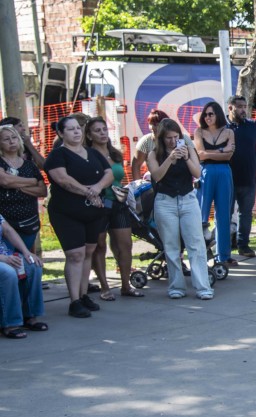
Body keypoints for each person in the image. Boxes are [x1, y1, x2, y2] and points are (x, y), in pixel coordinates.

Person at [44, 115, 113, 317]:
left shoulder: (92, 152)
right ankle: (74, 300)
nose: (76, 132)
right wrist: (89, 192)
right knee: (75, 254)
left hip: (94, 211)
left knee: (88, 252)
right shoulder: (57, 155)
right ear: (61, 133)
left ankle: (83, 295)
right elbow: (63, 180)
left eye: (78, 128)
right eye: (71, 129)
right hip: (67, 212)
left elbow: (108, 173)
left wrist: (98, 187)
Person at [147, 119, 214, 300]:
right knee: (171, 246)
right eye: (168, 138)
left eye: (176, 137)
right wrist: (170, 158)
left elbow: (197, 173)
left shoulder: (188, 148)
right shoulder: (154, 154)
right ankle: (176, 286)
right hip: (165, 201)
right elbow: (157, 176)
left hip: (187, 199)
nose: (173, 141)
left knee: (196, 244)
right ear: (161, 138)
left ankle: (203, 286)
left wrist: (185, 157)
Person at [85, 117, 143, 300]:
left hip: (118, 204)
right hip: (98, 204)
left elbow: (119, 178)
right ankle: (104, 287)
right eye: (97, 130)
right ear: (89, 135)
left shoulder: (115, 154)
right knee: (99, 246)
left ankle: (126, 285)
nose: (102, 133)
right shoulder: (87, 155)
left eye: (104, 129)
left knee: (125, 244)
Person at [194, 101, 235, 265]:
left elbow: (229, 155)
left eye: (210, 114)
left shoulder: (229, 132)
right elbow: (201, 155)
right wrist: (221, 151)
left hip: (224, 172)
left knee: (224, 214)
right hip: (206, 172)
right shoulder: (199, 132)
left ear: (218, 114)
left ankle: (223, 255)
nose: (207, 117)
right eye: (205, 114)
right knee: (201, 213)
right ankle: (199, 253)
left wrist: (212, 153)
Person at [0, 125, 47, 251]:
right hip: (6, 223)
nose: (11, 141)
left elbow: (42, 191)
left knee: (26, 258)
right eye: (6, 139)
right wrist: (31, 181)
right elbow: (4, 181)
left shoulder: (29, 165)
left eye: (14, 137)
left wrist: (17, 186)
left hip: (29, 221)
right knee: (11, 261)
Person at [0, 214, 45, 338]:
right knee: (8, 273)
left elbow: (8, 231)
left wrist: (26, 252)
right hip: (2, 258)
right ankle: (10, 323)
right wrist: (3, 258)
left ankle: (30, 316)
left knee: (33, 266)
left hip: (5, 255)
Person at [227, 95, 256, 258]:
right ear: (230, 108)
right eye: (239, 106)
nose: (243, 110)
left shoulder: (254, 126)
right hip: (227, 180)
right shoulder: (223, 127)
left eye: (245, 106)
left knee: (246, 214)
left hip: (248, 179)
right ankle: (224, 247)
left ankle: (243, 245)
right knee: (225, 214)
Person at [131, 109, 177, 179]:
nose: (153, 127)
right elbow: (136, 165)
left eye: (157, 124)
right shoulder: (146, 141)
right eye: (151, 124)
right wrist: (138, 184)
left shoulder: (180, 138)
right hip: (156, 181)